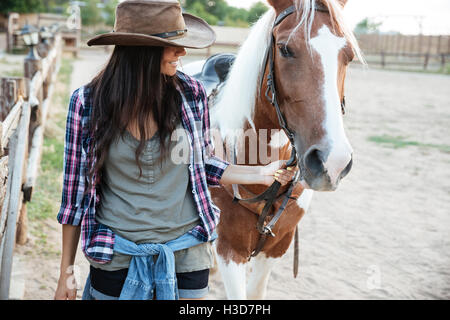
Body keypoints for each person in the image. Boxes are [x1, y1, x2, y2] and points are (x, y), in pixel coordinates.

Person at [54, 0, 295, 300]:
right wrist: (66, 273)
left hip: (187, 256)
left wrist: (262, 171)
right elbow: (74, 197)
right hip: (116, 256)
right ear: (142, 50)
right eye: (172, 44)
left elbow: (204, 163)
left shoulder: (191, 94)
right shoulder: (87, 104)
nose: (182, 52)